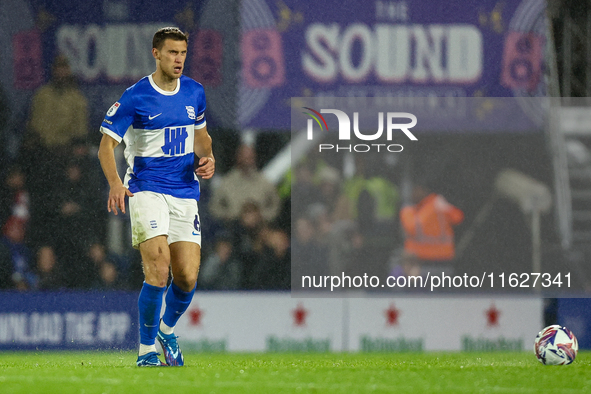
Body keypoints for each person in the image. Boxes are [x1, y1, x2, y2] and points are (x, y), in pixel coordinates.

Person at [97, 27, 215, 367]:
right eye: (172, 53)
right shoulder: (135, 97)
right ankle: (146, 350)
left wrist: (209, 160)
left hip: (184, 192)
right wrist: (116, 183)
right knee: (158, 270)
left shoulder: (194, 92)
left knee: (188, 276)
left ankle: (166, 330)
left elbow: (202, 138)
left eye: (182, 53)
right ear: (156, 53)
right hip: (146, 189)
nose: (178, 59)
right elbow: (107, 145)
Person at [399, 182, 464, 277]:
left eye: (415, 190)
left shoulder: (435, 205)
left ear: (423, 190)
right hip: (421, 258)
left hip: (432, 258)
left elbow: (458, 218)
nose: (413, 193)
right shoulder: (427, 207)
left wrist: (447, 208)